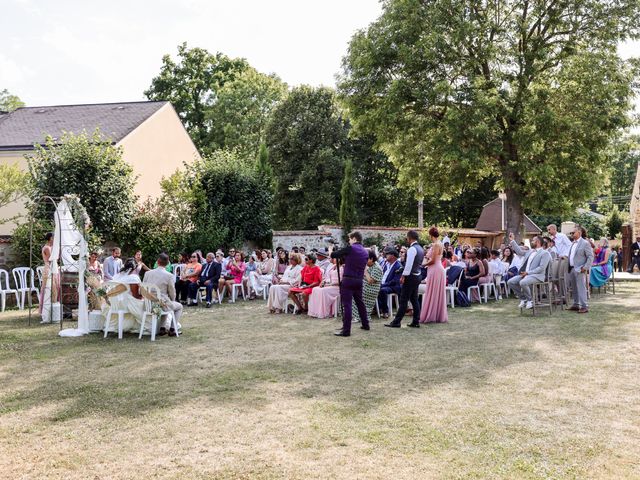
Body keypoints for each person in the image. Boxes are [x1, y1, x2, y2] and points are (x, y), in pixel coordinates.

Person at [330, 231, 370, 336]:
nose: (349, 241)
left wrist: (330, 248)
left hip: (348, 280)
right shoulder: (366, 252)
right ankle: (366, 324)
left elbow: (334, 255)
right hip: (359, 280)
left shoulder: (350, 248)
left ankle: (346, 330)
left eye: (350, 239)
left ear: (354, 239)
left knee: (347, 305)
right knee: (360, 303)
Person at [385, 230, 424, 329]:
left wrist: (403, 276)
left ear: (410, 238)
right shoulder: (420, 249)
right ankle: (416, 321)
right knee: (414, 299)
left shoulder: (412, 249)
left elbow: (409, 264)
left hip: (410, 276)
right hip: (417, 275)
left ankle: (396, 322)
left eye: (407, 238)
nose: (406, 239)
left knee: (403, 299)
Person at [507, 233, 552, 309]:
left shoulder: (545, 253)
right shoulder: (530, 251)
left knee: (523, 282)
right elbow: (519, 252)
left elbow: (541, 268)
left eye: (533, 240)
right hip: (526, 275)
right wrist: (512, 241)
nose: (531, 242)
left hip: (537, 276)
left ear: (537, 242)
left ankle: (530, 300)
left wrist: (528, 273)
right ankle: (523, 298)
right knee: (510, 282)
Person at [143, 253, 183, 336]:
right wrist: (172, 299)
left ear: (157, 262)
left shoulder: (148, 273)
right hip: (161, 304)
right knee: (178, 306)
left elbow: (143, 288)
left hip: (148, 304)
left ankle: (162, 328)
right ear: (168, 263)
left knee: (165, 303)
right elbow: (172, 292)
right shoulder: (169, 276)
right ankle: (172, 329)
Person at [103, 258, 144, 334]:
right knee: (143, 304)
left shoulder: (117, 275)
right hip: (124, 304)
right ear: (135, 267)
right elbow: (135, 295)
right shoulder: (133, 277)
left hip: (113, 303)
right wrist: (142, 297)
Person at [420, 227, 448, 323]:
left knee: (433, 291)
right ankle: (437, 314)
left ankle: (431, 315)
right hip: (436, 268)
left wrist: (423, 265)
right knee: (434, 292)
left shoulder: (436, 244)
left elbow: (433, 260)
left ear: (430, 235)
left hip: (435, 269)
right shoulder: (439, 243)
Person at [567, 226, 594, 313]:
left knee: (581, 287)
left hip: (580, 269)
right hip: (571, 268)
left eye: (573, 232)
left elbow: (590, 256)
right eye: (571, 233)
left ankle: (584, 306)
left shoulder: (585, 243)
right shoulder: (572, 243)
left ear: (579, 233)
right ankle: (576, 304)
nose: (572, 234)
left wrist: (585, 267)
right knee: (574, 287)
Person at [353, 250, 383, 323]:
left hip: (371, 289)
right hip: (364, 286)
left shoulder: (377, 268)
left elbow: (370, 281)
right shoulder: (370, 266)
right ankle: (355, 315)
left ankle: (358, 316)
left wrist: (365, 270)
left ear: (371, 259)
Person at [377, 249, 403, 319]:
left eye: (388, 254)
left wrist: (382, 285)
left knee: (382, 290)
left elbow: (395, 281)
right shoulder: (386, 264)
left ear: (393, 256)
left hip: (393, 286)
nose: (386, 256)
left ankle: (385, 311)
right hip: (384, 284)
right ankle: (377, 308)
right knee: (373, 288)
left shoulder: (398, 266)